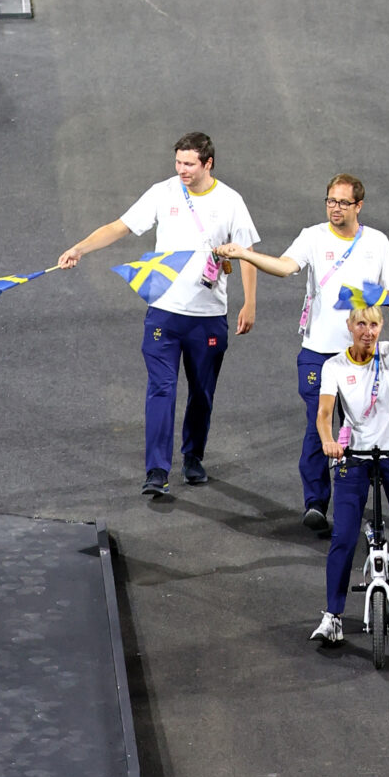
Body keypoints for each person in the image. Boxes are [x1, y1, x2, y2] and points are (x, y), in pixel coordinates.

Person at [55, 131, 258, 501]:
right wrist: (80, 248)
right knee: (161, 389)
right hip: (164, 313)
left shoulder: (230, 201)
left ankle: (193, 456)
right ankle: (157, 470)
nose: (182, 170)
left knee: (202, 393)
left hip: (208, 316)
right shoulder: (163, 193)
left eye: (189, 164)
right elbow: (120, 226)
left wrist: (250, 304)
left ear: (208, 163)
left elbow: (246, 255)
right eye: (178, 162)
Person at [214, 173, 389, 532]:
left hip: (363, 356)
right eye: (330, 201)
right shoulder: (313, 237)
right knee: (319, 420)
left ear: (359, 206)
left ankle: (357, 497)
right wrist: (245, 254)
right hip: (318, 353)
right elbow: (286, 267)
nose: (335, 208)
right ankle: (316, 501)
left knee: (363, 425)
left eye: (343, 203)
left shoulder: (377, 243)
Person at [309, 298, 389, 645]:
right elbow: (324, 414)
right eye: (361, 325)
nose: (368, 332)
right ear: (350, 328)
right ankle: (333, 616)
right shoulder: (334, 366)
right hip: (354, 455)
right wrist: (328, 442)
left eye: (374, 325)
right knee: (343, 537)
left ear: (381, 327)